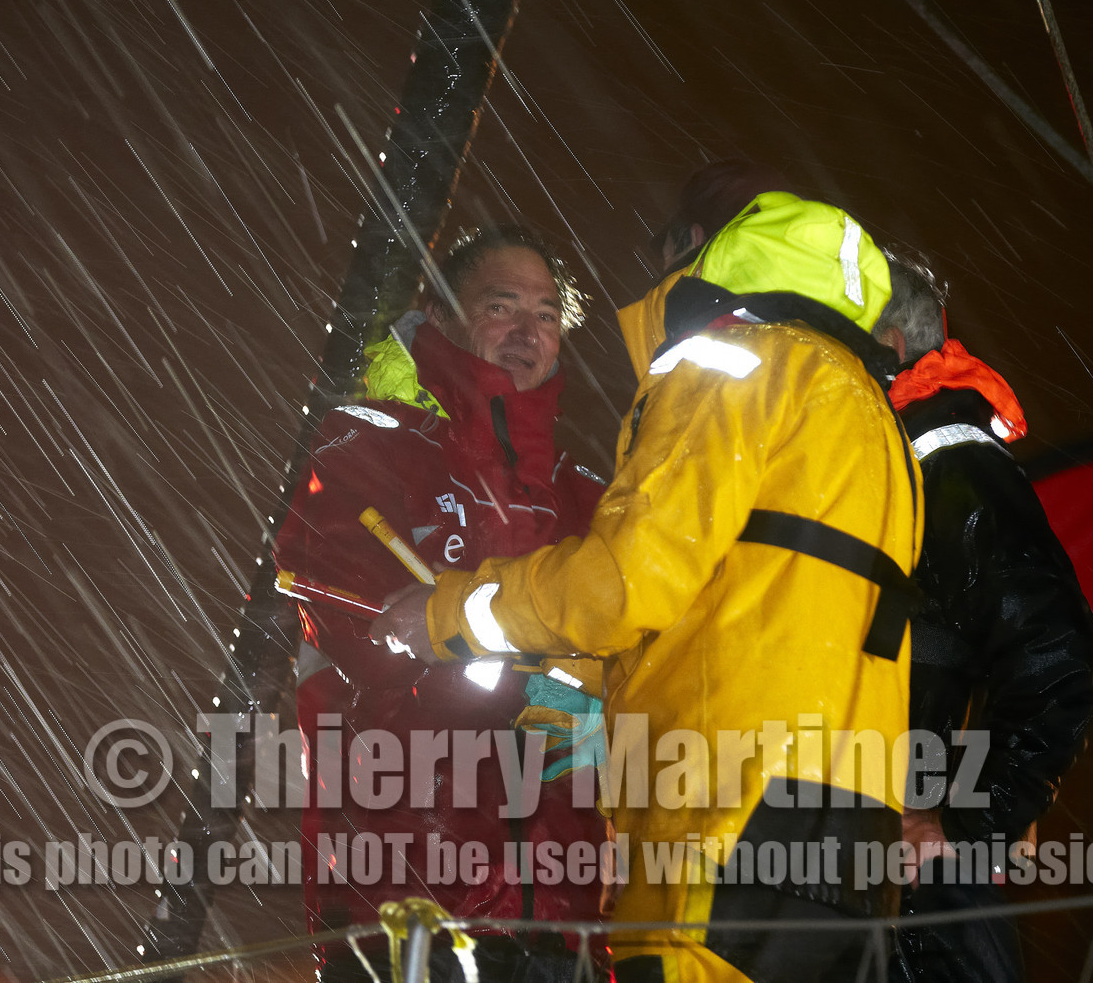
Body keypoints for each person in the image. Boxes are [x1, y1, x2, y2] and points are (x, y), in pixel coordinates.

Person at [382, 183, 924, 983]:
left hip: (721, 805)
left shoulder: (730, 364)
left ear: (704, 257)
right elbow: (748, 602)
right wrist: (575, 686)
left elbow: (628, 581)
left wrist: (447, 613)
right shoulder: (876, 424)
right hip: (853, 831)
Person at [271, 225, 611, 983]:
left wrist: (595, 708)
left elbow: (628, 668)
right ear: (443, 315)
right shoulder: (366, 446)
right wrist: (533, 688)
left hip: (567, 915)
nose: (528, 332)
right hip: (406, 895)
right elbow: (360, 630)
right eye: (502, 306)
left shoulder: (586, 496)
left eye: (548, 315)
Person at [870, 253, 1093, 983]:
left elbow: (1058, 658)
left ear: (890, 349)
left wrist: (965, 827)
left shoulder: (949, 470)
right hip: (864, 878)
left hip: (909, 901)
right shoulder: (880, 470)